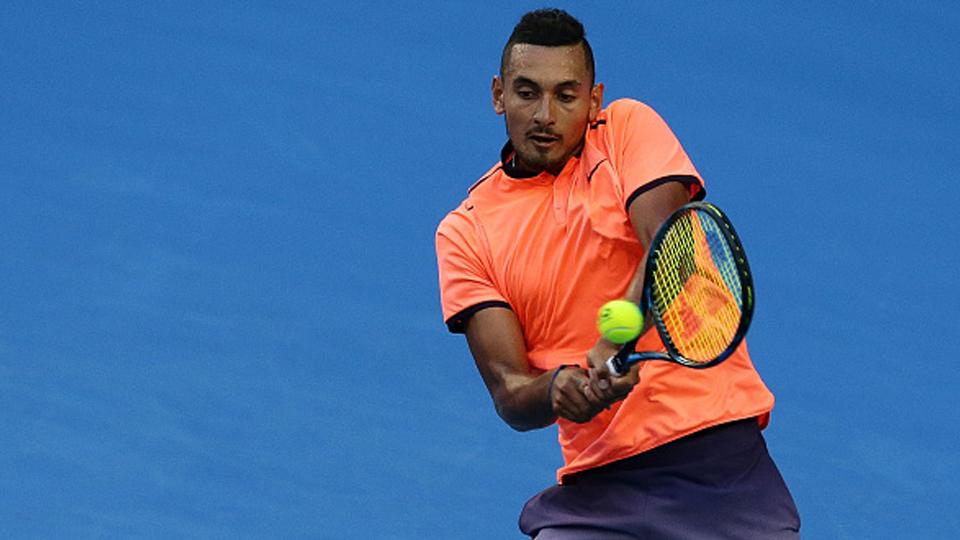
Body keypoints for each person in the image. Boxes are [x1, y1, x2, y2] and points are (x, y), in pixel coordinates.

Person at [435, 8, 800, 539]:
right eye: (527, 92)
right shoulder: (465, 232)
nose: (545, 114)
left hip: (720, 464)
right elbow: (510, 392)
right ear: (498, 95)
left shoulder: (627, 128)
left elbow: (670, 243)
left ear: (594, 99)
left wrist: (616, 333)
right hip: (599, 487)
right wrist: (557, 389)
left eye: (566, 95)